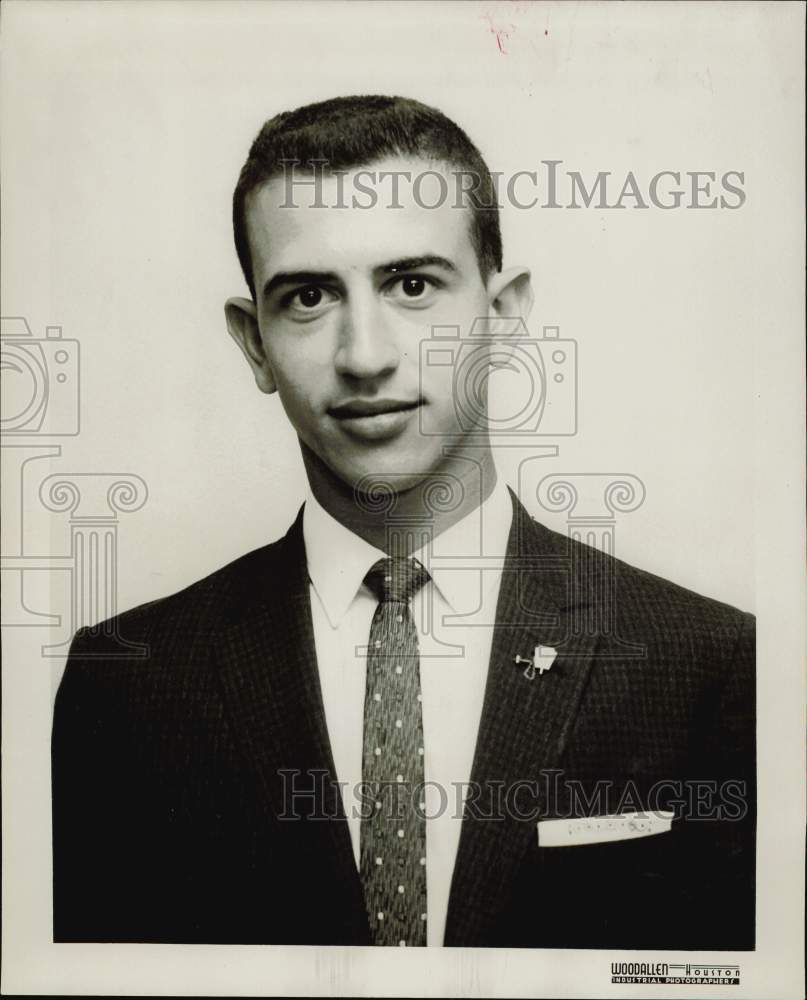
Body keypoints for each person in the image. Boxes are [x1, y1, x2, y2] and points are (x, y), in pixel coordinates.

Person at [52, 95, 755, 949]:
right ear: (253, 344)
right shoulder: (125, 687)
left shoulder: (714, 667)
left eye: (412, 285)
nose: (364, 354)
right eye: (308, 297)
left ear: (503, 314)